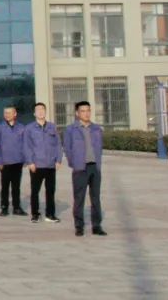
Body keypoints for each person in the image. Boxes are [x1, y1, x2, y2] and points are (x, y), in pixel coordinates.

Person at [64, 101, 107, 237]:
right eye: (83, 111)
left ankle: (96, 226)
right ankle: (79, 226)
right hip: (80, 168)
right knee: (79, 198)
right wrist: (74, 163)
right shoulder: (71, 129)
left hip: (94, 167)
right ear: (77, 113)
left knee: (95, 198)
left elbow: (99, 147)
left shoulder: (96, 129)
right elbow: (68, 149)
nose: (86, 113)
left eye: (88, 110)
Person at [24, 102, 61, 224]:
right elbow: (27, 146)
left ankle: (50, 214)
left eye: (42, 109)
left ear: (45, 112)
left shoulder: (52, 127)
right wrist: (30, 162)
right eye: (38, 110)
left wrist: (58, 160)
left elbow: (58, 145)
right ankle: (35, 214)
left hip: (50, 165)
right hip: (36, 165)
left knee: (50, 191)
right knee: (35, 191)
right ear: (34, 113)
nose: (40, 111)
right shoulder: (29, 128)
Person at [0, 106, 26, 217]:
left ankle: (17, 207)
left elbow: (25, 144)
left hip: (18, 161)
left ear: (15, 114)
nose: (7, 115)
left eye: (9, 112)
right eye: (5, 113)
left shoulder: (21, 127)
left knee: (16, 186)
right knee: (5, 186)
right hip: (5, 162)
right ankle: (4, 207)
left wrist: (25, 159)